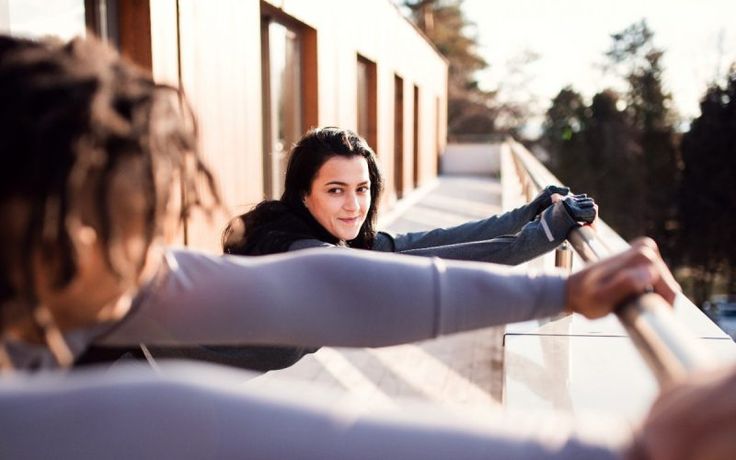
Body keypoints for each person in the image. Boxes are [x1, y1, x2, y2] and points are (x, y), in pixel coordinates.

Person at [1, 33, 734, 460]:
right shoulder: (285, 241)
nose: (147, 253)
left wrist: (560, 284)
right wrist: (625, 450)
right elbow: (171, 415)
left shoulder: (73, 282)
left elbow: (342, 283)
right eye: (133, 223)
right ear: (57, 229)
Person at [219, 126, 597, 370]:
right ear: (304, 194)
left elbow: (429, 244)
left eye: (361, 189)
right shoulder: (309, 256)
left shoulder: (328, 241)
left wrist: (527, 214)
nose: (353, 206)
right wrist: (543, 235)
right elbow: (428, 274)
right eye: (336, 190)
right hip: (162, 376)